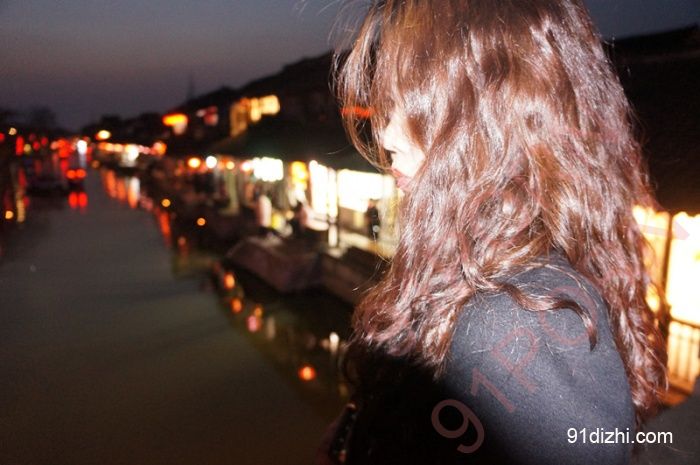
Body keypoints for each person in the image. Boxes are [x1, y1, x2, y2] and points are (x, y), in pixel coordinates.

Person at [317, 1, 668, 464]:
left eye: (409, 98)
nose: (385, 136)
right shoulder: (499, 280)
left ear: (488, 113)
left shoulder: (516, 317)